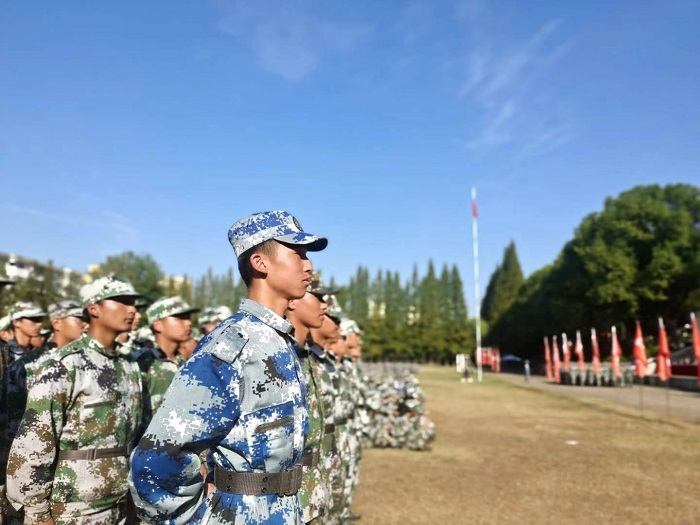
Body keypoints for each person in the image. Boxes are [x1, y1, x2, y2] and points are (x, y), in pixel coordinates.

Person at [130, 210, 327, 525]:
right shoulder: (233, 345)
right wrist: (193, 519)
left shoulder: (279, 342)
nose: (309, 265)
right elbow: (159, 456)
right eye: (297, 253)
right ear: (260, 263)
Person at [5, 276, 144, 525]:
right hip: (72, 509)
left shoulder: (129, 366)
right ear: (93, 308)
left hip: (120, 503)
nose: (132, 309)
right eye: (122, 301)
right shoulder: (64, 364)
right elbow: (34, 443)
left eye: (133, 302)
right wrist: (37, 514)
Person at [286, 276, 337, 523]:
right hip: (284, 490)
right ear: (293, 302)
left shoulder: (306, 354)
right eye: (316, 297)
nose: (324, 306)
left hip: (313, 479)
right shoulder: (278, 352)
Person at [134, 296, 199, 421]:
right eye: (179, 318)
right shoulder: (143, 363)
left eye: (188, 318)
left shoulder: (187, 363)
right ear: (158, 325)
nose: (188, 323)